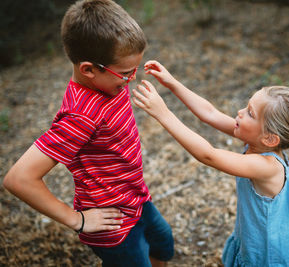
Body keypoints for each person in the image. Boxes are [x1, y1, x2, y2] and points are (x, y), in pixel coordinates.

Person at [2, 1, 173, 266]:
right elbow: (19, 179)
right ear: (89, 70)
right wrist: (77, 220)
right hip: (113, 225)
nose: (132, 80)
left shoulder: (108, 84)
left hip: (137, 198)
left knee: (163, 246)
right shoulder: (80, 116)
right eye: (126, 74)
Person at [132, 60, 289, 266]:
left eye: (250, 113)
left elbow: (208, 155)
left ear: (270, 138)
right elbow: (210, 113)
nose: (240, 112)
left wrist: (164, 114)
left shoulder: (267, 166)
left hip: (269, 257)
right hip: (257, 242)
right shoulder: (259, 141)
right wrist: (172, 83)